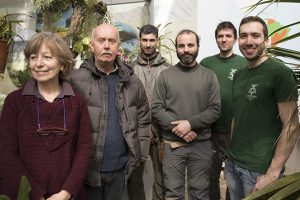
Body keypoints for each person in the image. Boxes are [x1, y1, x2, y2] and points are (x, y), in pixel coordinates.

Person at [0, 32, 92, 199]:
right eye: (33, 57)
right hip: (24, 195)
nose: (39, 64)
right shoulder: (14, 102)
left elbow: (83, 151)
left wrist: (66, 193)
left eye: (47, 57)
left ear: (62, 64)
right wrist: (36, 195)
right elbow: (6, 154)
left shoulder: (77, 101)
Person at [69, 23, 151, 200]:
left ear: (118, 46)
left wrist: (140, 155)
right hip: (87, 171)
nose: (106, 45)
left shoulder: (133, 82)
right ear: (92, 45)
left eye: (111, 41)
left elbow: (144, 121)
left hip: (121, 170)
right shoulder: (75, 81)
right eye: (101, 40)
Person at [224, 16, 300, 200]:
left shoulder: (279, 73)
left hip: (259, 169)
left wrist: (272, 173)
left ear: (267, 40)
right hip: (233, 163)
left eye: (255, 35)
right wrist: (230, 157)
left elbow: (291, 126)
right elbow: (238, 116)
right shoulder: (240, 74)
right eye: (243, 36)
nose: (248, 41)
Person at [152, 29, 221, 200]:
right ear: (176, 48)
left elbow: (215, 109)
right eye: (181, 46)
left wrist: (190, 124)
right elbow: (156, 108)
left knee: (200, 193)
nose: (186, 49)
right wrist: (181, 129)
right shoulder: (165, 76)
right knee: (173, 193)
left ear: (198, 46)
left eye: (190, 45)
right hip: (172, 145)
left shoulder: (209, 76)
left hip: (201, 145)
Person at [200, 21, 246, 200]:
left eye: (228, 36)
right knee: (210, 176)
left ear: (234, 39)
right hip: (210, 130)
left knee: (233, 176)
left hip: (235, 131)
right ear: (216, 39)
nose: (224, 39)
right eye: (220, 36)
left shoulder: (243, 63)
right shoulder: (206, 63)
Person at [128, 24, 172, 200]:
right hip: (137, 133)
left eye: (152, 40)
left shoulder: (168, 69)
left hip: (161, 134)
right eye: (145, 40)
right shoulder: (129, 70)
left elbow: (171, 102)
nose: (148, 44)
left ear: (158, 41)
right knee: (134, 178)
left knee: (161, 179)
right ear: (139, 41)